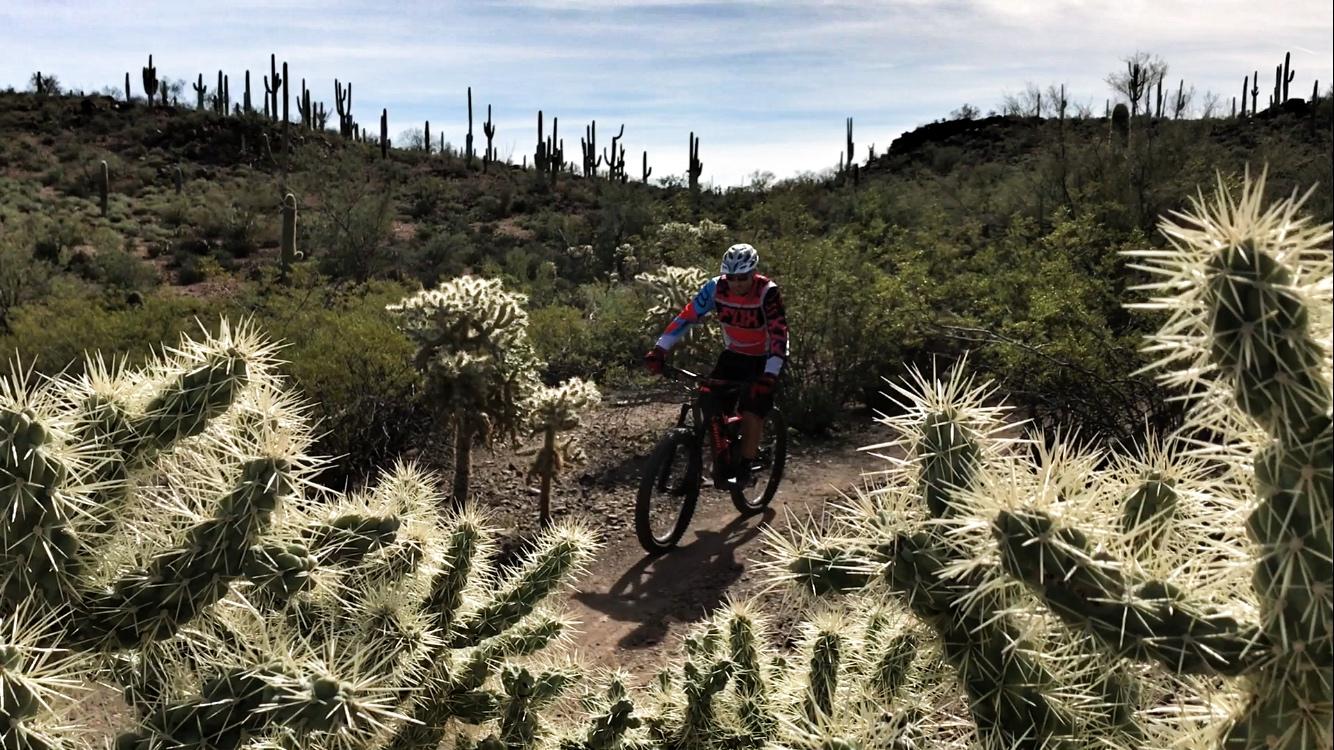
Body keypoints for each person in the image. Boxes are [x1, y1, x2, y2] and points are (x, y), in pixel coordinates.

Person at [644, 243, 789, 488]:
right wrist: (660, 349)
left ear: (753, 273)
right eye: (731, 278)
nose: (737, 283)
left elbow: (778, 334)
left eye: (743, 278)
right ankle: (720, 456)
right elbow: (687, 316)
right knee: (707, 400)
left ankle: (744, 467)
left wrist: (770, 375)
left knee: (753, 409)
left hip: (764, 359)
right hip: (733, 354)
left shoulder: (767, 292)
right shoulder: (715, 288)